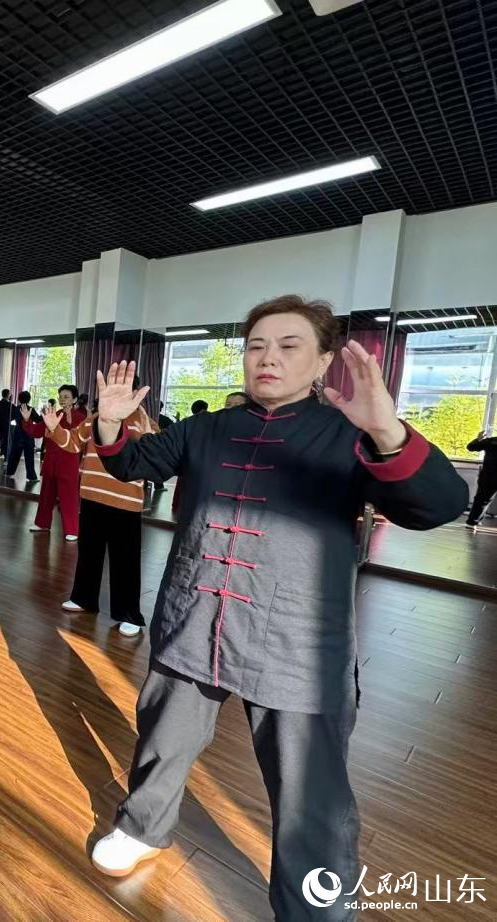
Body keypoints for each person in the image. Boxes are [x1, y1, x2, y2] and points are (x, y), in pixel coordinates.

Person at [85, 296, 466, 922]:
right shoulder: (207, 428)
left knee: (309, 789)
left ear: (321, 362)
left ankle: (313, 904)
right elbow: (132, 463)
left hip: (295, 637)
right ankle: (144, 825)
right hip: (196, 614)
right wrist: (109, 426)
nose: (268, 358)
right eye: (256, 346)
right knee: (163, 735)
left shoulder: (351, 435)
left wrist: (387, 431)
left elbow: (440, 505)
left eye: (289, 346)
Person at [45, 378, 152, 635]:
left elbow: (154, 453)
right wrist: (54, 428)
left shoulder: (140, 419)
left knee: (125, 561)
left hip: (125, 502)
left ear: (134, 393)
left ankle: (130, 615)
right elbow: (72, 443)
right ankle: (84, 598)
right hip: (92, 497)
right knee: (89, 554)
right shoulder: (94, 419)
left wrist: (148, 431)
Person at [25, 384, 86, 540]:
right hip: (51, 462)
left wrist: (70, 418)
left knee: (69, 498)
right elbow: (36, 432)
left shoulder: (81, 418)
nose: (62, 399)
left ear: (74, 399)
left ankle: (72, 530)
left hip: (69, 463)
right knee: (46, 495)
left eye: (66, 397)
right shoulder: (54, 414)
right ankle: (42, 524)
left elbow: (82, 440)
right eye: (61, 396)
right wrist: (27, 421)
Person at [466, 429, 497, 529]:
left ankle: (472, 522)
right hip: (488, 475)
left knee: (482, 499)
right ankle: (472, 522)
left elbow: (471, 447)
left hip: (488, 475)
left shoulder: (492, 441)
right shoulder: (491, 441)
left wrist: (479, 440)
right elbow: (470, 447)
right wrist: (479, 439)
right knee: (482, 499)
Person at [6, 391, 39, 482]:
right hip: (28, 435)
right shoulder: (30, 409)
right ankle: (31, 477)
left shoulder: (16, 408)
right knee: (29, 457)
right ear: (29, 399)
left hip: (18, 434)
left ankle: (9, 472)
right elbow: (38, 420)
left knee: (14, 455)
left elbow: (10, 418)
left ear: (19, 399)